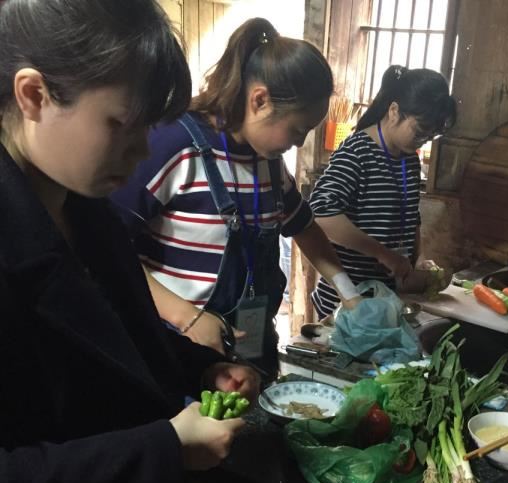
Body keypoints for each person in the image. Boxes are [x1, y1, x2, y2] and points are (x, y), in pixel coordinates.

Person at [0, 0, 261, 483]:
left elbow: (115, 342)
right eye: (122, 123)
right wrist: (163, 450)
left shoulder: (87, 210)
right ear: (34, 95)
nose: (142, 151)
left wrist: (200, 367)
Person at [111, 18, 361, 378]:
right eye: (297, 129)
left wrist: (349, 294)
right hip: (177, 347)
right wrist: (186, 317)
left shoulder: (270, 164)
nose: (301, 143)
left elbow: (305, 228)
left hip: (250, 346)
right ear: (260, 100)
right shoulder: (173, 145)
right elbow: (108, 250)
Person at [308, 65, 457, 318]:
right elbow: (321, 215)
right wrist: (383, 254)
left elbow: (411, 215)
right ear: (394, 111)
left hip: (387, 297)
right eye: (420, 132)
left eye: (429, 137)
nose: (422, 141)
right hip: (347, 300)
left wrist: (418, 259)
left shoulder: (409, 159)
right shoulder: (356, 153)